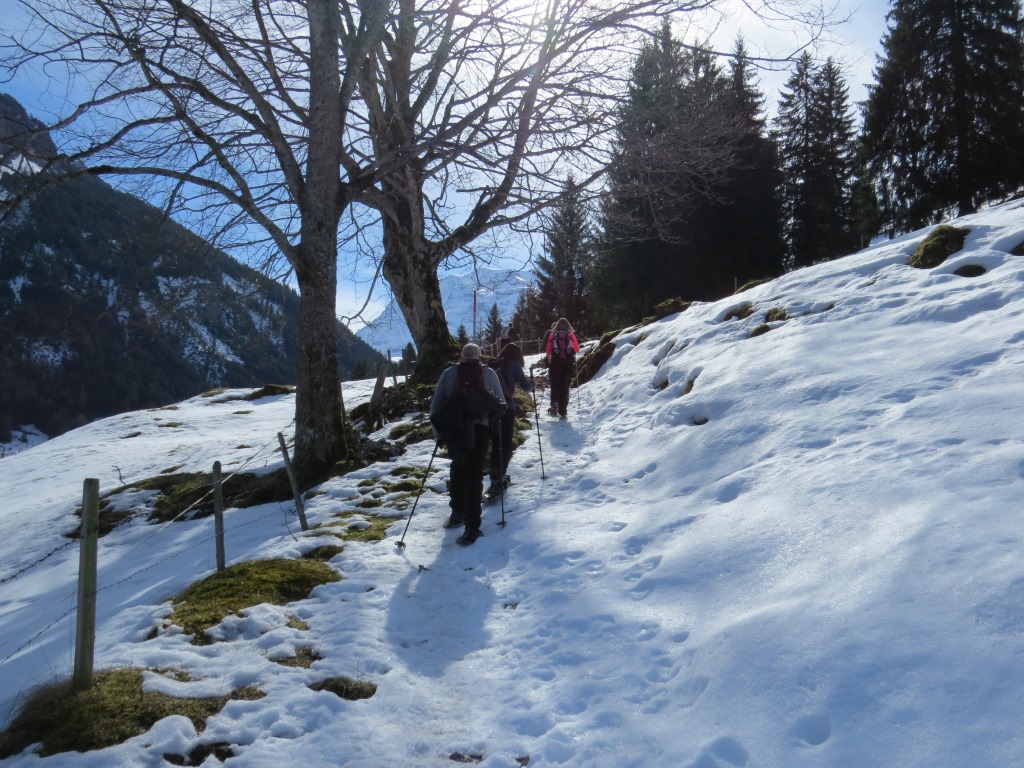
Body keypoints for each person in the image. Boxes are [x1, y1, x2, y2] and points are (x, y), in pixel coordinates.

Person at [430, 343, 506, 545]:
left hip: (455, 430)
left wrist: (438, 434)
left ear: (461, 357)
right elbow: (501, 404)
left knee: (457, 469)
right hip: (480, 430)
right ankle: (472, 527)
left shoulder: (448, 374)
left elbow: (435, 407)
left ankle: (457, 514)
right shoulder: (489, 373)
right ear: (479, 357)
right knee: (474, 475)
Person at [485, 342, 535, 500]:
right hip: (507, 408)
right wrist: (532, 383)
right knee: (505, 443)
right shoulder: (514, 365)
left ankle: (495, 473)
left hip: (490, 409)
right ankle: (499, 473)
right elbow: (526, 387)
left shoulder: (492, 365)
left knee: (496, 442)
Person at [544, 317, 579, 420]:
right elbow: (577, 349)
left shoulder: (553, 335)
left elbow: (548, 351)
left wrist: (549, 360)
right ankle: (563, 411)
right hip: (568, 364)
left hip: (555, 363)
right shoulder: (571, 335)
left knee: (555, 385)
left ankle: (554, 405)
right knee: (565, 386)